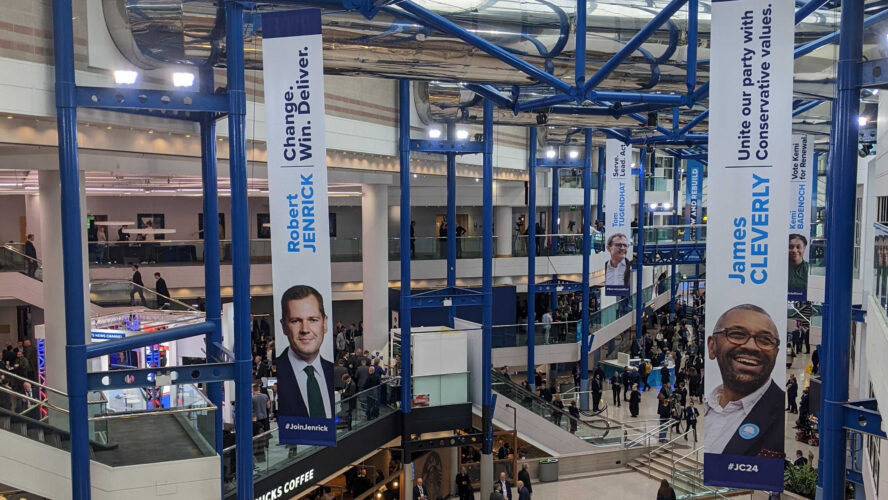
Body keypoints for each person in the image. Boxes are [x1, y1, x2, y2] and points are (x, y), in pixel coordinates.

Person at [703, 304, 785, 456]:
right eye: (737, 335)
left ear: (776, 353)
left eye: (765, 340)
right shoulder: (704, 405)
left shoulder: (781, 414)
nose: (751, 346)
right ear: (712, 346)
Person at [275, 285, 335, 419]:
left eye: (313, 320)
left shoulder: (332, 370)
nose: (305, 329)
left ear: (324, 323)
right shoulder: (276, 371)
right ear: (284, 326)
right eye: (295, 321)